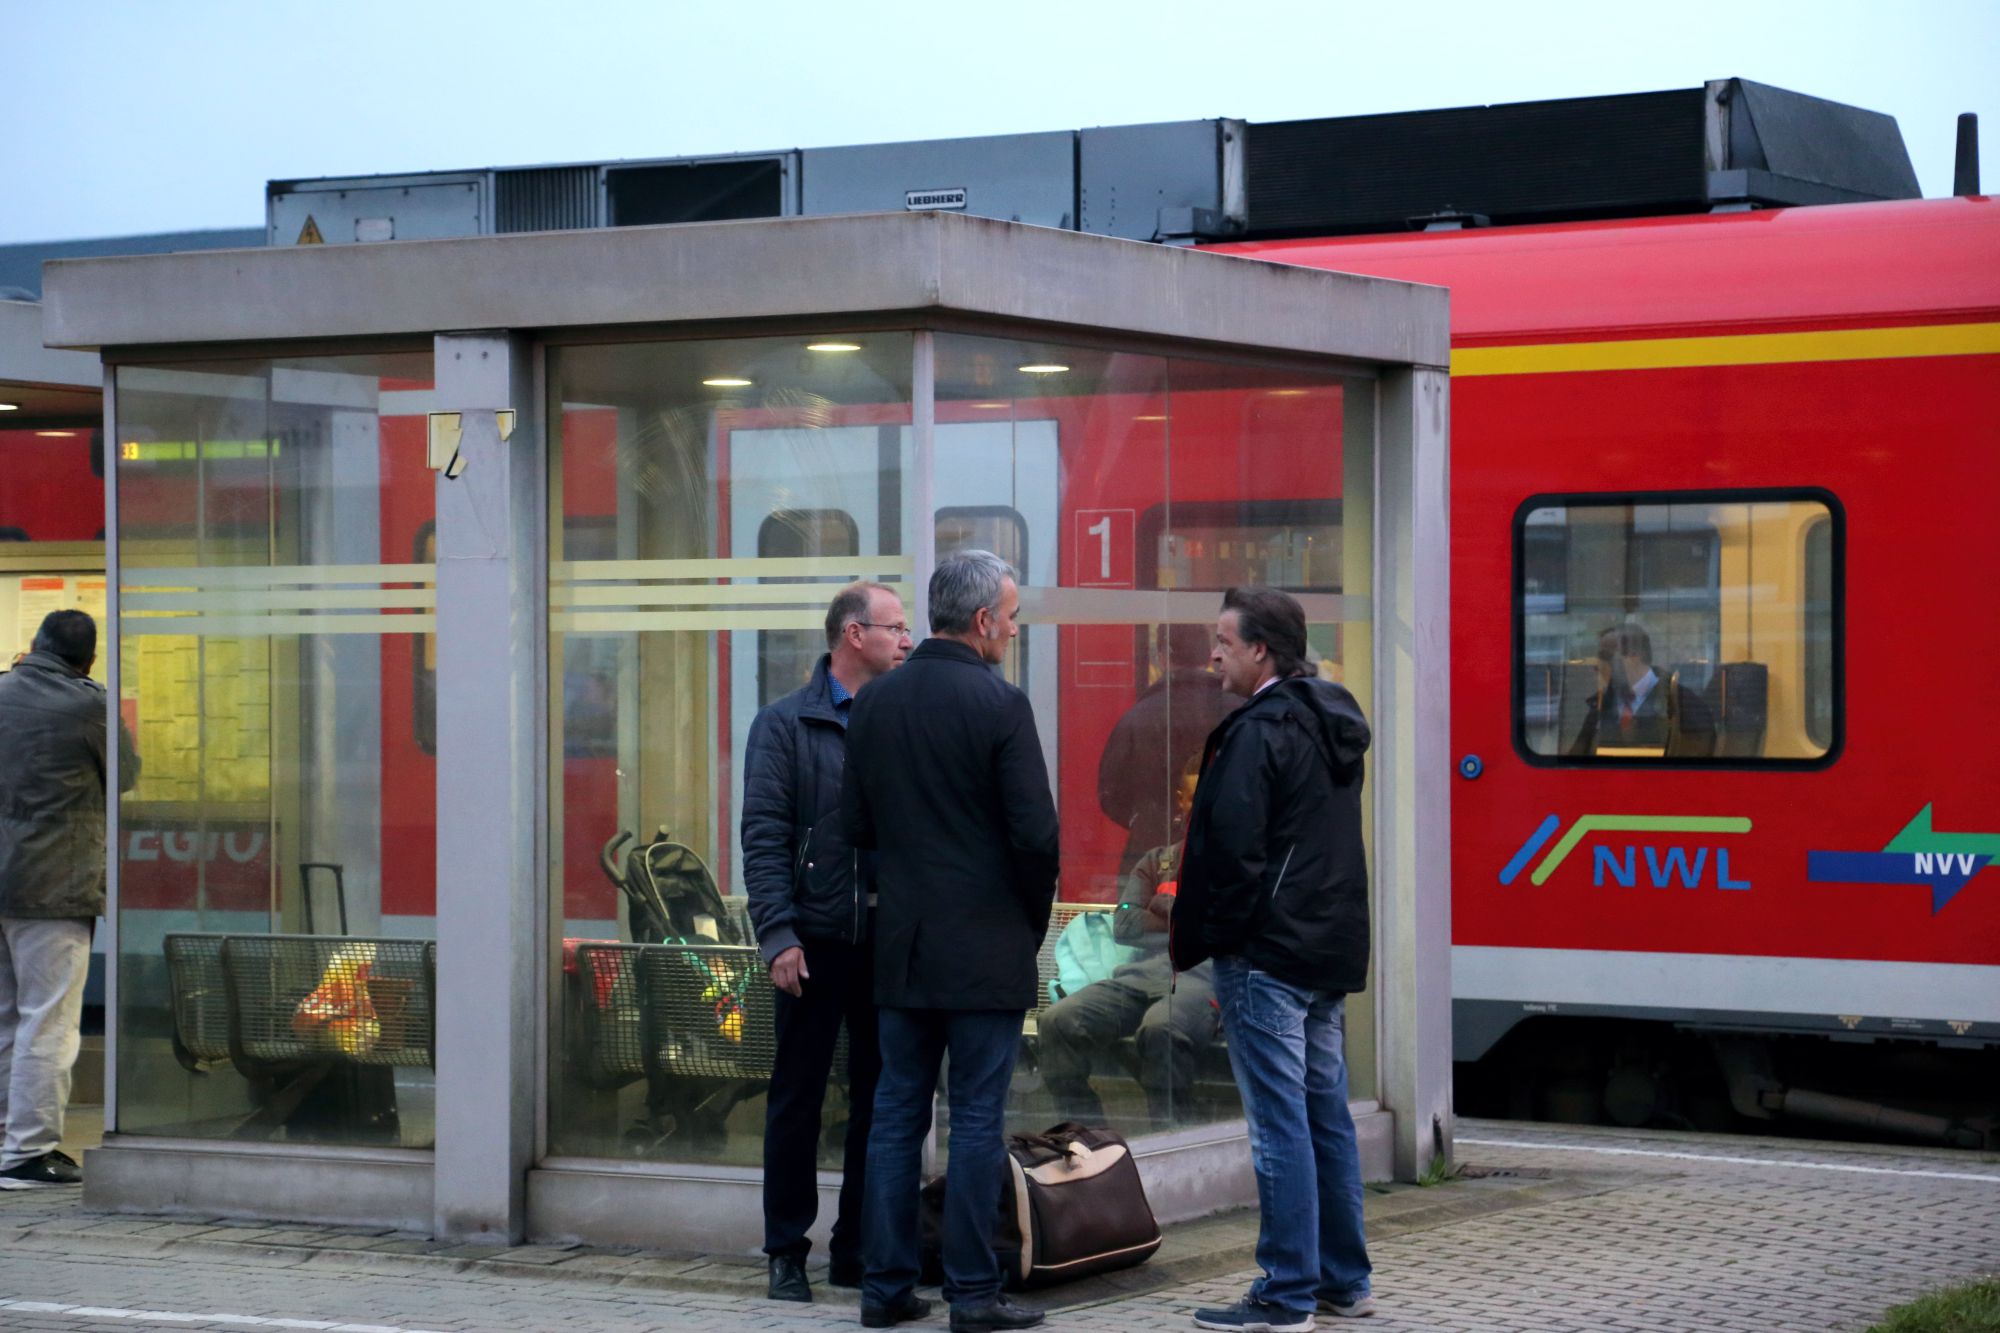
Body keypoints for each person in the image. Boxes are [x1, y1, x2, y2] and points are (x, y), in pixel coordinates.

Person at [843, 550, 1059, 1333]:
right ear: (981, 621)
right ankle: (972, 1293)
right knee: (974, 1117)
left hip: (903, 947)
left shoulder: (872, 705)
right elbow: (1036, 836)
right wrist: (1026, 924)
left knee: (896, 1111)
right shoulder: (1001, 706)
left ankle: (885, 1287)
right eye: (1009, 613)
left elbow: (856, 827)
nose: (1012, 626)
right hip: (986, 947)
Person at [1171, 587, 1375, 1330]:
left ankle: (1286, 1291)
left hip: (1268, 956)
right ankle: (1342, 1279)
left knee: (1280, 1124)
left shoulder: (1258, 731)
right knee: (1326, 1117)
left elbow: (1232, 853)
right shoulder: (1331, 719)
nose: (1212, 653)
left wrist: (1217, 939)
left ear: (1262, 650)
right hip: (1323, 948)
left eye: (1223, 639)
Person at [742, 581, 912, 1301]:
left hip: (886, 941)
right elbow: (765, 837)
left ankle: (855, 1249)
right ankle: (786, 1248)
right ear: (853, 634)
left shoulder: (903, 720)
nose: (907, 640)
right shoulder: (785, 724)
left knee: (882, 1101)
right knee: (799, 1099)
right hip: (812, 941)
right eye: (895, 627)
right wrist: (778, 934)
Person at [0, 610, 139, 1190]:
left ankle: (8, 1140)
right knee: (49, 1021)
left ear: (33, 645)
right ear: (86, 658)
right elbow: (125, 774)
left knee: (7, 1018)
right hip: (53, 885)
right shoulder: (89, 706)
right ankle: (28, 1154)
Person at [1039, 756, 1218, 1130]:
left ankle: (1171, 1137)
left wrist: (1164, 904)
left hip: (1203, 978)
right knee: (1058, 1020)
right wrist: (1189, 913)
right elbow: (1126, 925)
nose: (1201, 803)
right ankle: (1086, 1135)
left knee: (1160, 1029)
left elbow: (1222, 928)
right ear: (1181, 801)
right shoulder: (1158, 862)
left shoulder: (1233, 863)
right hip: (1138, 976)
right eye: (1193, 795)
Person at [1097, 624, 1237, 879]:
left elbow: (1111, 794)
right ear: (1209, 655)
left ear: (1161, 657)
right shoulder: (1240, 710)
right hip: (1227, 853)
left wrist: (1148, 820)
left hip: (1152, 857)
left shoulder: (1138, 716)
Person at [1567, 622, 1715, 758]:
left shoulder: (1684, 704)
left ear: (1633, 656)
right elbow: (1577, 756)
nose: (1597, 665)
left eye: (1606, 656)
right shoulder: (1599, 704)